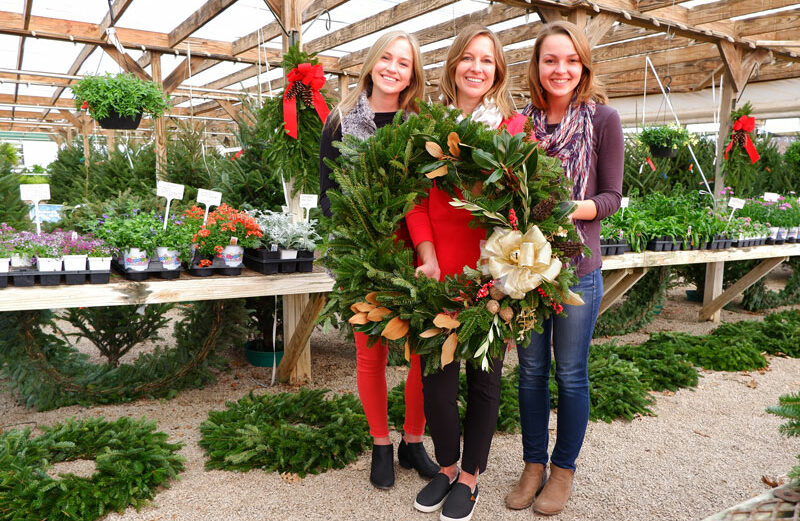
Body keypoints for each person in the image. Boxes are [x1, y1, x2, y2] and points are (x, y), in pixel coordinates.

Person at [407, 24, 526, 521]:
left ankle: (472, 475)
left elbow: (521, 203)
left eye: (488, 60)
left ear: (497, 71)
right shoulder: (430, 125)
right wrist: (427, 254)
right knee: (436, 376)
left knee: (483, 377)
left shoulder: (512, 127)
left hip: (487, 275)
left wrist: (510, 268)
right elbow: (414, 199)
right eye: (469, 58)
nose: (477, 67)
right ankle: (448, 465)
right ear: (454, 64)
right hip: (438, 270)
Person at [504, 21, 623, 516]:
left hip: (577, 268)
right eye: (551, 60)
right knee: (531, 370)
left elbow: (611, 198)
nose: (561, 69)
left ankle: (562, 469)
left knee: (571, 373)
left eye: (571, 60)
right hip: (528, 267)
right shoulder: (519, 125)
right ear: (536, 66)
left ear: (583, 66)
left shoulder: (603, 119)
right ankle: (533, 464)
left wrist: (564, 208)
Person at [318, 30, 439, 490]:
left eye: (403, 63)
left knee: (420, 353)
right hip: (362, 253)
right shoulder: (341, 122)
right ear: (372, 62)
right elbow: (327, 197)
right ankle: (380, 444)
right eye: (386, 58)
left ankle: (413, 441)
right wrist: (365, 217)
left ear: (413, 74)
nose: (392, 68)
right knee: (371, 353)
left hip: (415, 250)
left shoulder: (418, 123)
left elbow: (429, 191)